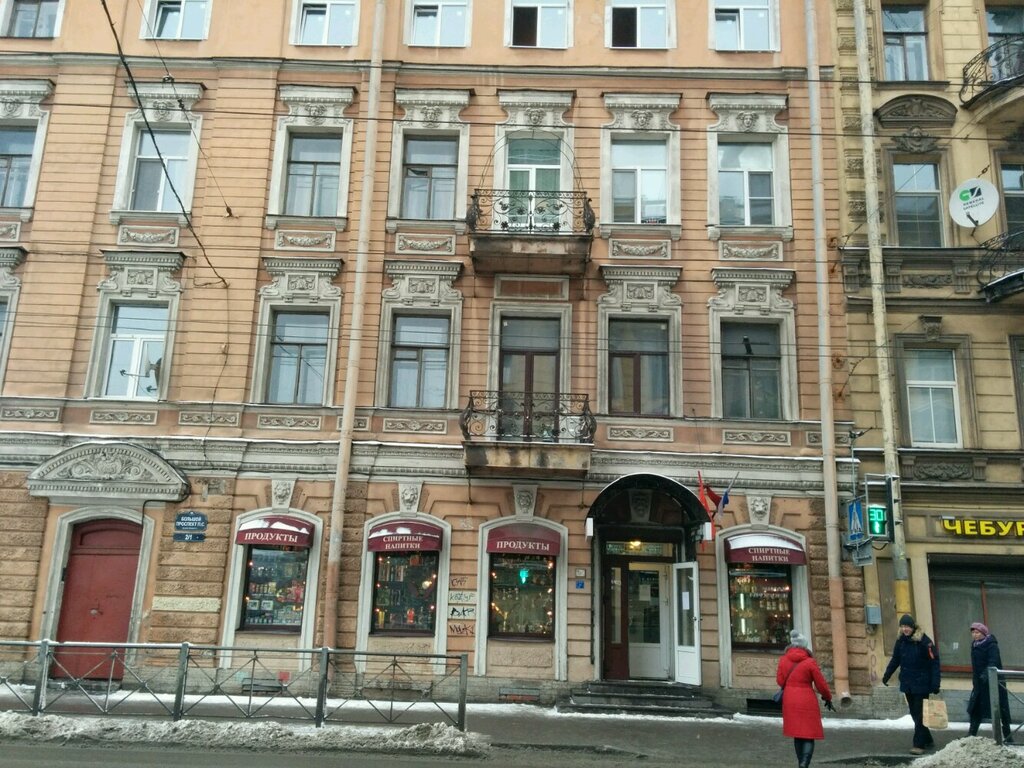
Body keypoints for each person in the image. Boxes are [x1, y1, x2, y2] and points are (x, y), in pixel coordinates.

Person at [882, 613, 941, 755]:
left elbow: (934, 663)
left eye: (907, 626)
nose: (905, 629)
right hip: (907, 683)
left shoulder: (924, 641)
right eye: (902, 626)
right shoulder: (901, 641)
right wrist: (887, 675)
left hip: (922, 683)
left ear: (913, 627)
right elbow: (895, 660)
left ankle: (918, 744)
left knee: (919, 714)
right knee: (915, 714)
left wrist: (935, 683)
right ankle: (927, 739)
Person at [777, 629, 835, 768]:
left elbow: (780, 681)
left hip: (790, 699)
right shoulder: (810, 662)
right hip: (807, 700)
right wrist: (827, 697)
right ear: (804, 646)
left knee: (797, 733)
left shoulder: (783, 660)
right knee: (808, 734)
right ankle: (804, 763)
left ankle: (800, 763)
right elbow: (821, 684)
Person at [967, 621, 1013, 743]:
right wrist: (976, 679)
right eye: (973, 633)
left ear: (983, 633)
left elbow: (993, 661)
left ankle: (1008, 736)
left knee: (1001, 709)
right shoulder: (974, 645)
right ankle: (971, 734)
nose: (975, 635)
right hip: (979, 683)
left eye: (977, 632)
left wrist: (986, 674)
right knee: (975, 708)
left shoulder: (991, 645)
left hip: (994, 682)